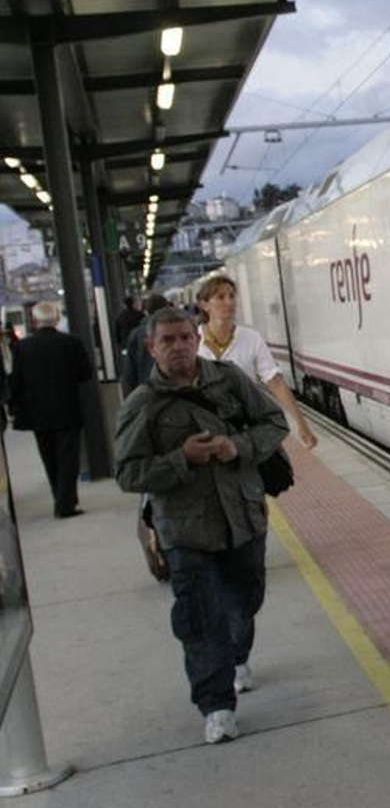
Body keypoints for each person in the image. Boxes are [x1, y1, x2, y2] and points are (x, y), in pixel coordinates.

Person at [114, 308, 288, 744]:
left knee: (244, 599)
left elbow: (275, 422)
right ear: (151, 347)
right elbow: (128, 474)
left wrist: (238, 446)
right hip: (185, 531)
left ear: (197, 340)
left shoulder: (229, 381)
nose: (178, 347)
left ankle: (237, 655)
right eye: (167, 340)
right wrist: (181, 459)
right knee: (199, 618)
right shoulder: (143, 404)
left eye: (184, 338)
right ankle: (217, 706)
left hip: (243, 518)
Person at [194, 274, 317, 450]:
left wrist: (301, 424)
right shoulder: (193, 341)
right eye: (220, 297)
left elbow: (275, 382)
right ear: (204, 305)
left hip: (249, 427)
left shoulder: (251, 338)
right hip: (209, 429)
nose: (229, 302)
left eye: (232, 296)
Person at [7, 301, 92, 518]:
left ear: (35, 321)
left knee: (49, 457)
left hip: (37, 412)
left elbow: (16, 381)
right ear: (56, 319)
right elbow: (85, 374)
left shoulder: (22, 347)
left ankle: (60, 498)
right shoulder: (72, 342)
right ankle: (65, 504)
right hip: (67, 409)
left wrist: (15, 406)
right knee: (68, 458)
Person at [121, 293, 170, 396]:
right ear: (166, 308)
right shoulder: (176, 331)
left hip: (146, 391)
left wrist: (129, 399)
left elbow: (129, 374)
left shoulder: (137, 334)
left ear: (146, 311)